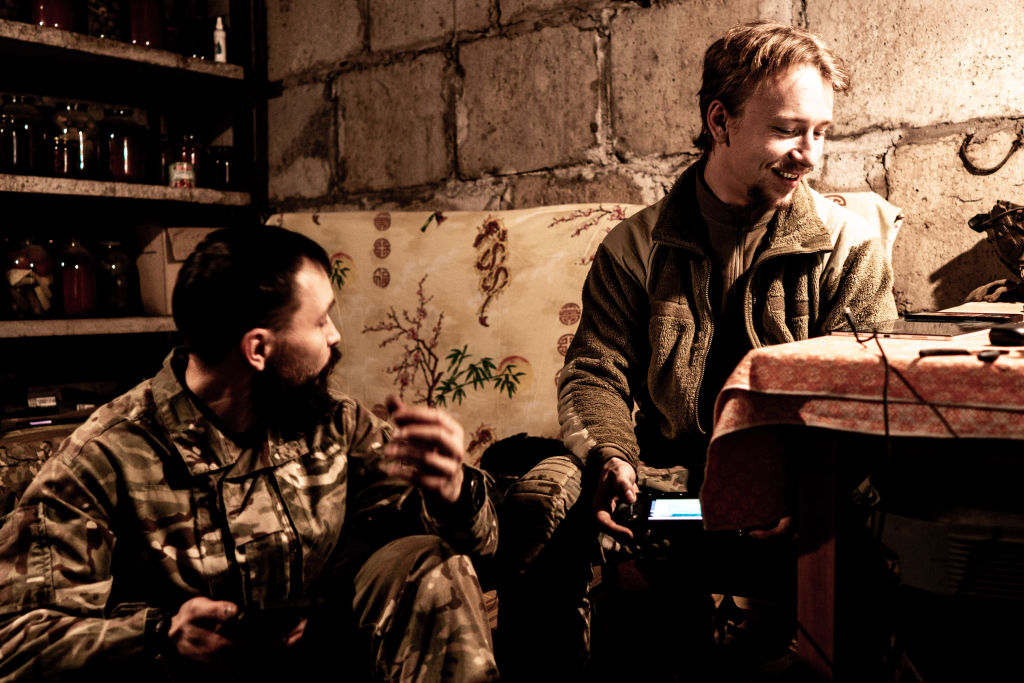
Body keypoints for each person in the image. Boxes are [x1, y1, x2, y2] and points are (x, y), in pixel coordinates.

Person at [496, 20, 897, 680]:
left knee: (882, 550)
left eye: (821, 132)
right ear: (720, 120)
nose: (810, 154)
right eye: (788, 129)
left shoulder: (848, 247)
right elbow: (595, 370)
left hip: (802, 500)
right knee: (562, 506)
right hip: (674, 496)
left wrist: (808, 484)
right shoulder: (634, 247)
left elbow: (862, 397)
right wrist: (613, 457)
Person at [0, 226, 500, 682]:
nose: (335, 336)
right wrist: (158, 636)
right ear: (257, 349)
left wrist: (454, 492)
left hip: (319, 659)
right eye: (321, 320)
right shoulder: (103, 457)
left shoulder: (329, 420)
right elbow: (15, 642)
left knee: (430, 564)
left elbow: (468, 545)